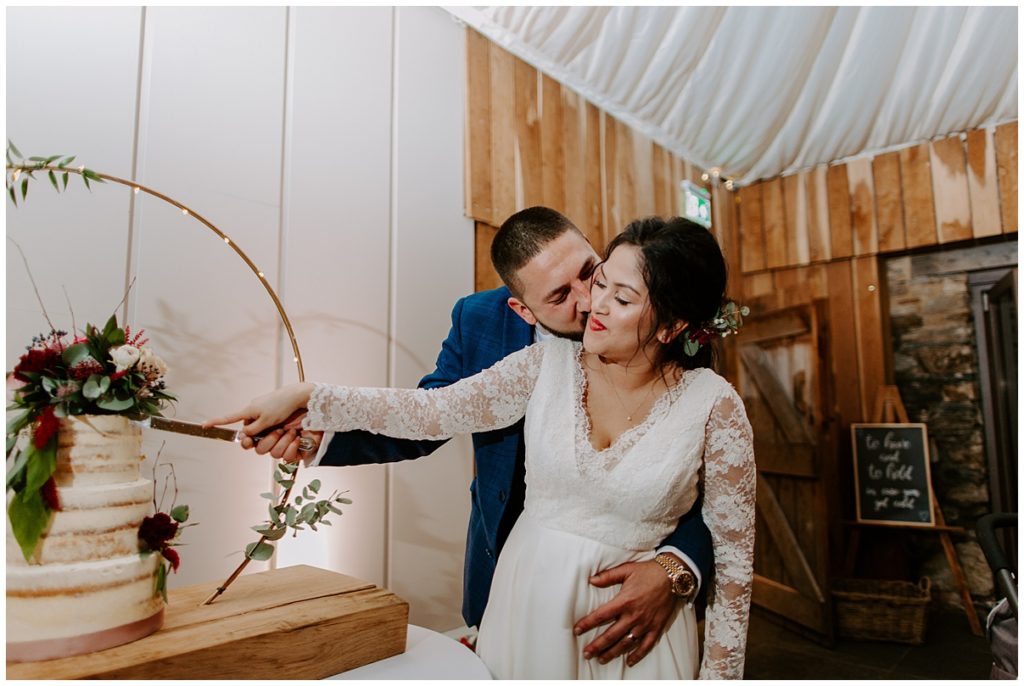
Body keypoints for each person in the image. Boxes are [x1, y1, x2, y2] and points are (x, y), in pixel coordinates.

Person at [210, 215, 756, 679]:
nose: (593, 302)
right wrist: (313, 401)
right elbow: (432, 411)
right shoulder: (537, 361)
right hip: (523, 600)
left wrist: (701, 629)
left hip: (637, 629)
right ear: (524, 308)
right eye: (579, 291)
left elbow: (732, 551)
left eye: (610, 287)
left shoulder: (712, 401)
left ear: (674, 324)